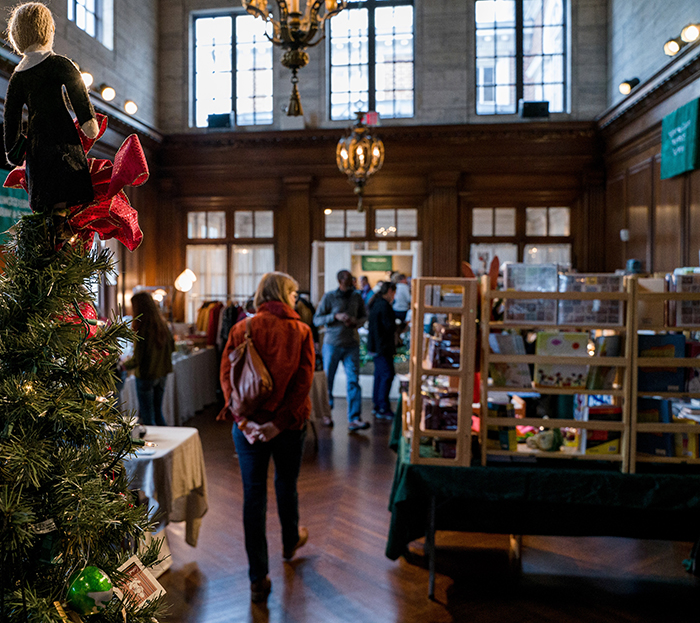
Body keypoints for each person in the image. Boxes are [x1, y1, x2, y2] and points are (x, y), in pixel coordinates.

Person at [219, 272, 315, 603]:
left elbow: (227, 377)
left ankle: (258, 578)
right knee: (287, 484)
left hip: (247, 428)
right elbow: (303, 384)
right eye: (293, 293)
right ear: (283, 294)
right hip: (287, 428)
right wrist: (278, 423)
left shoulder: (241, 328)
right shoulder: (301, 330)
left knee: (254, 497)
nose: (295, 299)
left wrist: (244, 421)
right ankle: (290, 541)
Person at [4, 2, 99, 214]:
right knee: (66, 183)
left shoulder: (18, 77)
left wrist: (15, 148)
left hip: (38, 142)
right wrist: (87, 120)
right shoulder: (59, 63)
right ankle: (60, 224)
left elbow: (11, 117)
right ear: (48, 30)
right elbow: (78, 91)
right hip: (61, 133)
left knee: (45, 189)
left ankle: (51, 226)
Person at [313, 269, 369, 431]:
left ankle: (354, 418)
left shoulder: (356, 297)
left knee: (353, 381)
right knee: (328, 380)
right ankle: (326, 414)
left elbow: (365, 317)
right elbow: (317, 319)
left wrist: (355, 322)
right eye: (347, 280)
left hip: (351, 343)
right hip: (332, 344)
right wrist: (335, 317)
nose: (350, 282)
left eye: (351, 279)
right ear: (340, 281)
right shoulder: (329, 297)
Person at [124, 292, 175, 426]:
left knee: (147, 415)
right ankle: (166, 443)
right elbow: (172, 348)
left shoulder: (141, 328)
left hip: (146, 375)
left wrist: (123, 365)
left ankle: (152, 446)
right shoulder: (162, 325)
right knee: (158, 412)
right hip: (162, 373)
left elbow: (138, 359)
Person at [367, 282, 397, 420]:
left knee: (379, 375)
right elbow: (389, 327)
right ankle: (383, 407)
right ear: (390, 291)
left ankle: (378, 405)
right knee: (387, 375)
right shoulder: (384, 306)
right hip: (383, 347)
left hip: (376, 346)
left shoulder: (376, 303)